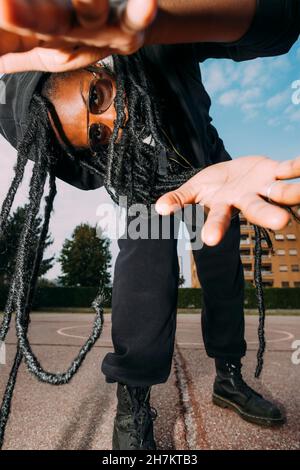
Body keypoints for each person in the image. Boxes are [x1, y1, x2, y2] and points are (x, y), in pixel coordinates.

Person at [0, 0, 299, 450]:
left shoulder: (142, 42)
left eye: (97, 96)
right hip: (145, 178)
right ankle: (133, 403)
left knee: (221, 268)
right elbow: (79, 166)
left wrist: (161, 21)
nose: (114, 123)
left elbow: (280, 22)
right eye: (97, 136)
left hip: (207, 162)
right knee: (146, 268)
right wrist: (127, 169)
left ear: (94, 63)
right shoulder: (93, 146)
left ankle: (229, 377)